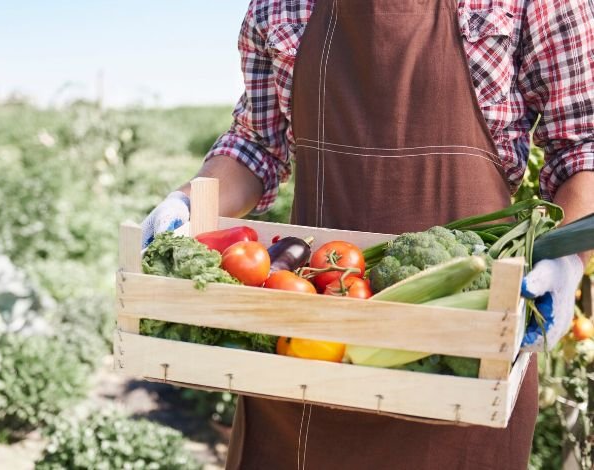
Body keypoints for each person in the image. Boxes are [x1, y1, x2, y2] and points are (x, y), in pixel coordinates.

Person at [142, 0, 594, 468]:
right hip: (309, 349)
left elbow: (582, 147)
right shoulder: (279, 6)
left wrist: (566, 259)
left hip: (464, 357)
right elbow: (256, 143)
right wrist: (188, 202)